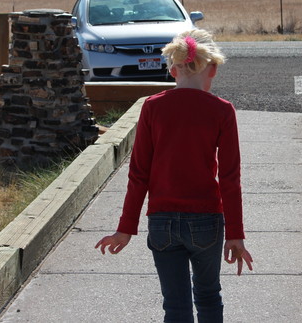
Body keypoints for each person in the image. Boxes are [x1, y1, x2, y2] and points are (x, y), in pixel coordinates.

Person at [95, 29, 253, 323]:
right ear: (213, 69)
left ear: (172, 69)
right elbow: (230, 179)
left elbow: (138, 174)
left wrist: (125, 228)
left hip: (162, 221)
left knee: (175, 305)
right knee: (208, 296)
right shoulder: (222, 111)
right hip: (207, 220)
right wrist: (235, 234)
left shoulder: (153, 107)